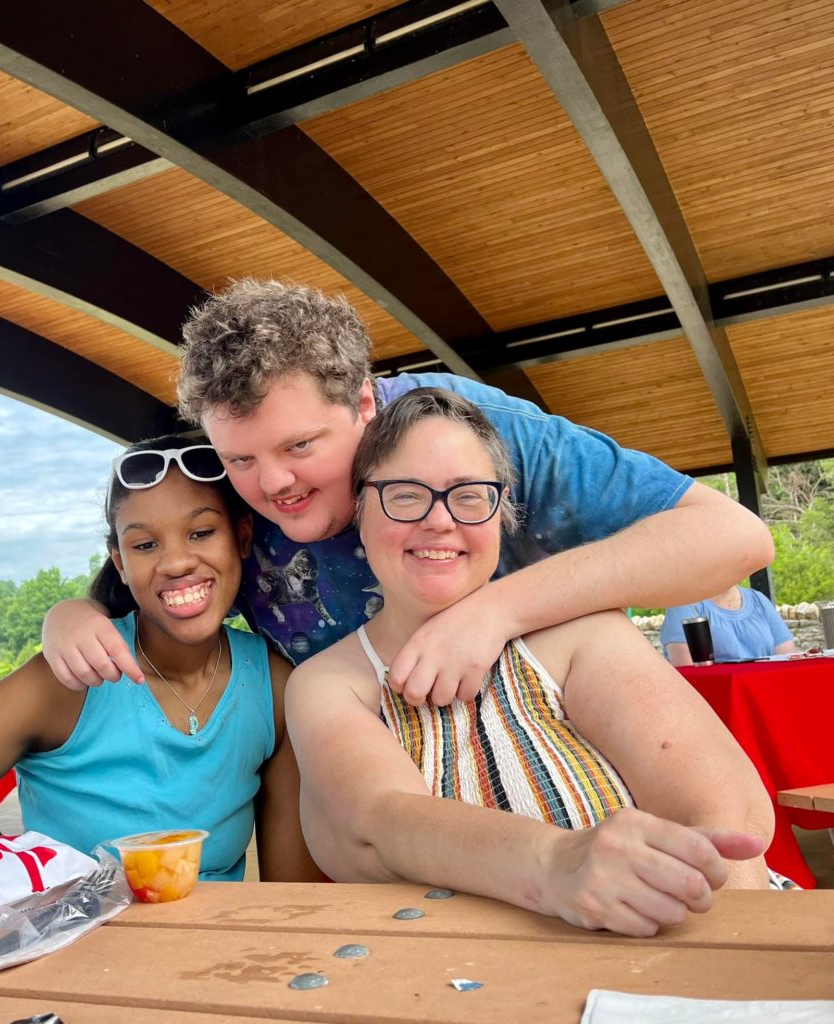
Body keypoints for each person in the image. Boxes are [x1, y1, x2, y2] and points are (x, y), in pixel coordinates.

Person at [42, 279, 774, 704]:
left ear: (364, 403)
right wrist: (71, 615)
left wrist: (493, 614)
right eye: (240, 458)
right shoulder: (228, 485)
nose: (272, 485)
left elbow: (732, 538)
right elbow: (140, 586)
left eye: (300, 447)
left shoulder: (465, 433)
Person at [285, 388, 778, 938]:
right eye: (404, 495)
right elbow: (380, 819)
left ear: (502, 514)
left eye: (470, 496)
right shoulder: (328, 682)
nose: (439, 520)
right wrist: (556, 863)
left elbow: (727, 815)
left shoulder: (584, 634)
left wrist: (724, 958)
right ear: (360, 511)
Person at [0, 436, 320, 884]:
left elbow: (293, 896)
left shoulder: (275, 687)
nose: (176, 562)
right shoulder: (71, 678)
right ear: (119, 563)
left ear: (242, 537)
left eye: (201, 533)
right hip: (67, 932)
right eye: (145, 545)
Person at [660, 585, 796, 665]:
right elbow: (688, 672)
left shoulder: (759, 600)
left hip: (764, 693)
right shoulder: (684, 603)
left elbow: (788, 661)